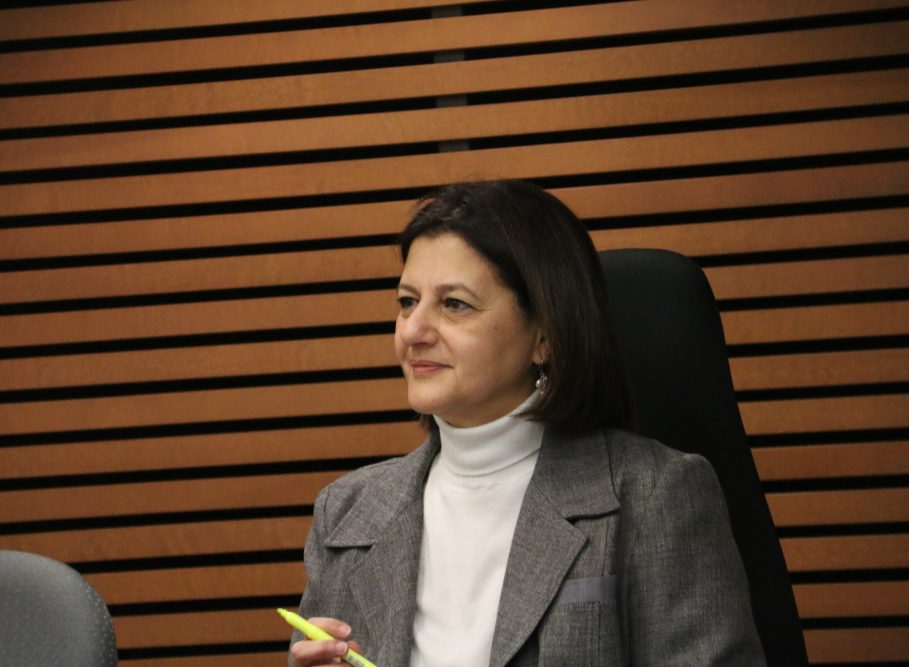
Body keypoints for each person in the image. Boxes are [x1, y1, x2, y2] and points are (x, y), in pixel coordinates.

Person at [288, 180, 765, 666]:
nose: (413, 330)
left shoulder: (656, 495)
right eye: (408, 301)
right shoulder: (345, 512)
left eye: (454, 304)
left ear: (544, 337)